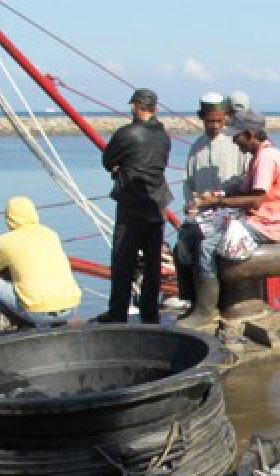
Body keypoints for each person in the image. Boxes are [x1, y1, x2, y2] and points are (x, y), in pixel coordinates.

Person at [96, 87, 171, 324]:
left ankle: (118, 312)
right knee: (152, 262)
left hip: (131, 205)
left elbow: (108, 160)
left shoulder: (126, 134)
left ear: (136, 107)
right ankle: (150, 313)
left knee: (122, 260)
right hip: (157, 203)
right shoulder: (164, 137)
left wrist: (120, 167)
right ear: (155, 109)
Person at [175, 91, 248, 325]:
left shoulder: (236, 144)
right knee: (183, 245)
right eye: (210, 121)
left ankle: (209, 308)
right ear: (202, 119)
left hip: (231, 213)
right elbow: (189, 184)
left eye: (219, 121)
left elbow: (247, 182)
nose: (215, 126)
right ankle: (194, 301)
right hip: (203, 214)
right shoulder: (197, 147)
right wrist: (192, 206)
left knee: (207, 247)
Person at [194, 110, 280, 246]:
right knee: (197, 229)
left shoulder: (266, 157)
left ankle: (206, 268)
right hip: (259, 219)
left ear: (249, 135)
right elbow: (245, 194)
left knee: (207, 245)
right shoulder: (258, 156)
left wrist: (217, 201)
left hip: (270, 225)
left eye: (236, 136)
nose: (234, 141)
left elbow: (255, 200)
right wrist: (214, 197)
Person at [0, 196, 81, 329]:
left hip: (37, 311)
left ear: (8, 217)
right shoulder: (51, 234)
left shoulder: (4, 241)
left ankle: (26, 325)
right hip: (71, 309)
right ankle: (57, 323)